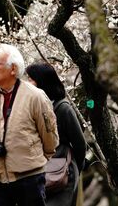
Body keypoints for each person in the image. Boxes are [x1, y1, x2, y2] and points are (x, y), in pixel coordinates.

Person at [0, 44, 59, 206]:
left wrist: (34, 160)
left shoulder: (35, 96)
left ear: (13, 69)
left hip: (29, 177)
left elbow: (49, 135)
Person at [25, 62, 87, 206]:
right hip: (37, 172)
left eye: (30, 79)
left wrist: (75, 167)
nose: (27, 83)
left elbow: (80, 143)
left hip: (60, 173)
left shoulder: (63, 108)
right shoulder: (33, 106)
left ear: (41, 81)